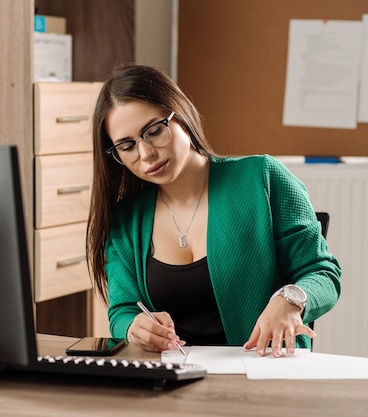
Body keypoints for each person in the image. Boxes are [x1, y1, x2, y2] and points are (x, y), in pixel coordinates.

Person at [86, 64, 341, 358]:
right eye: (127, 146)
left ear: (180, 113)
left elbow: (323, 273)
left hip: (264, 371)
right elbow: (122, 311)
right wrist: (134, 327)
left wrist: (290, 299)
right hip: (171, 381)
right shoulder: (126, 219)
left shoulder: (261, 178)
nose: (145, 154)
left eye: (154, 131)